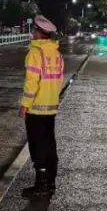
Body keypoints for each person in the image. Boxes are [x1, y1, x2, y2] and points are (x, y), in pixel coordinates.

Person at [19, 15, 64, 197]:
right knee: (49, 143)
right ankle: (51, 182)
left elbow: (32, 83)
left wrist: (25, 104)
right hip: (51, 106)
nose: (32, 33)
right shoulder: (56, 53)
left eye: (34, 31)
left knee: (37, 146)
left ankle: (41, 185)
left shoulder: (35, 53)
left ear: (39, 33)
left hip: (36, 107)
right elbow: (59, 80)